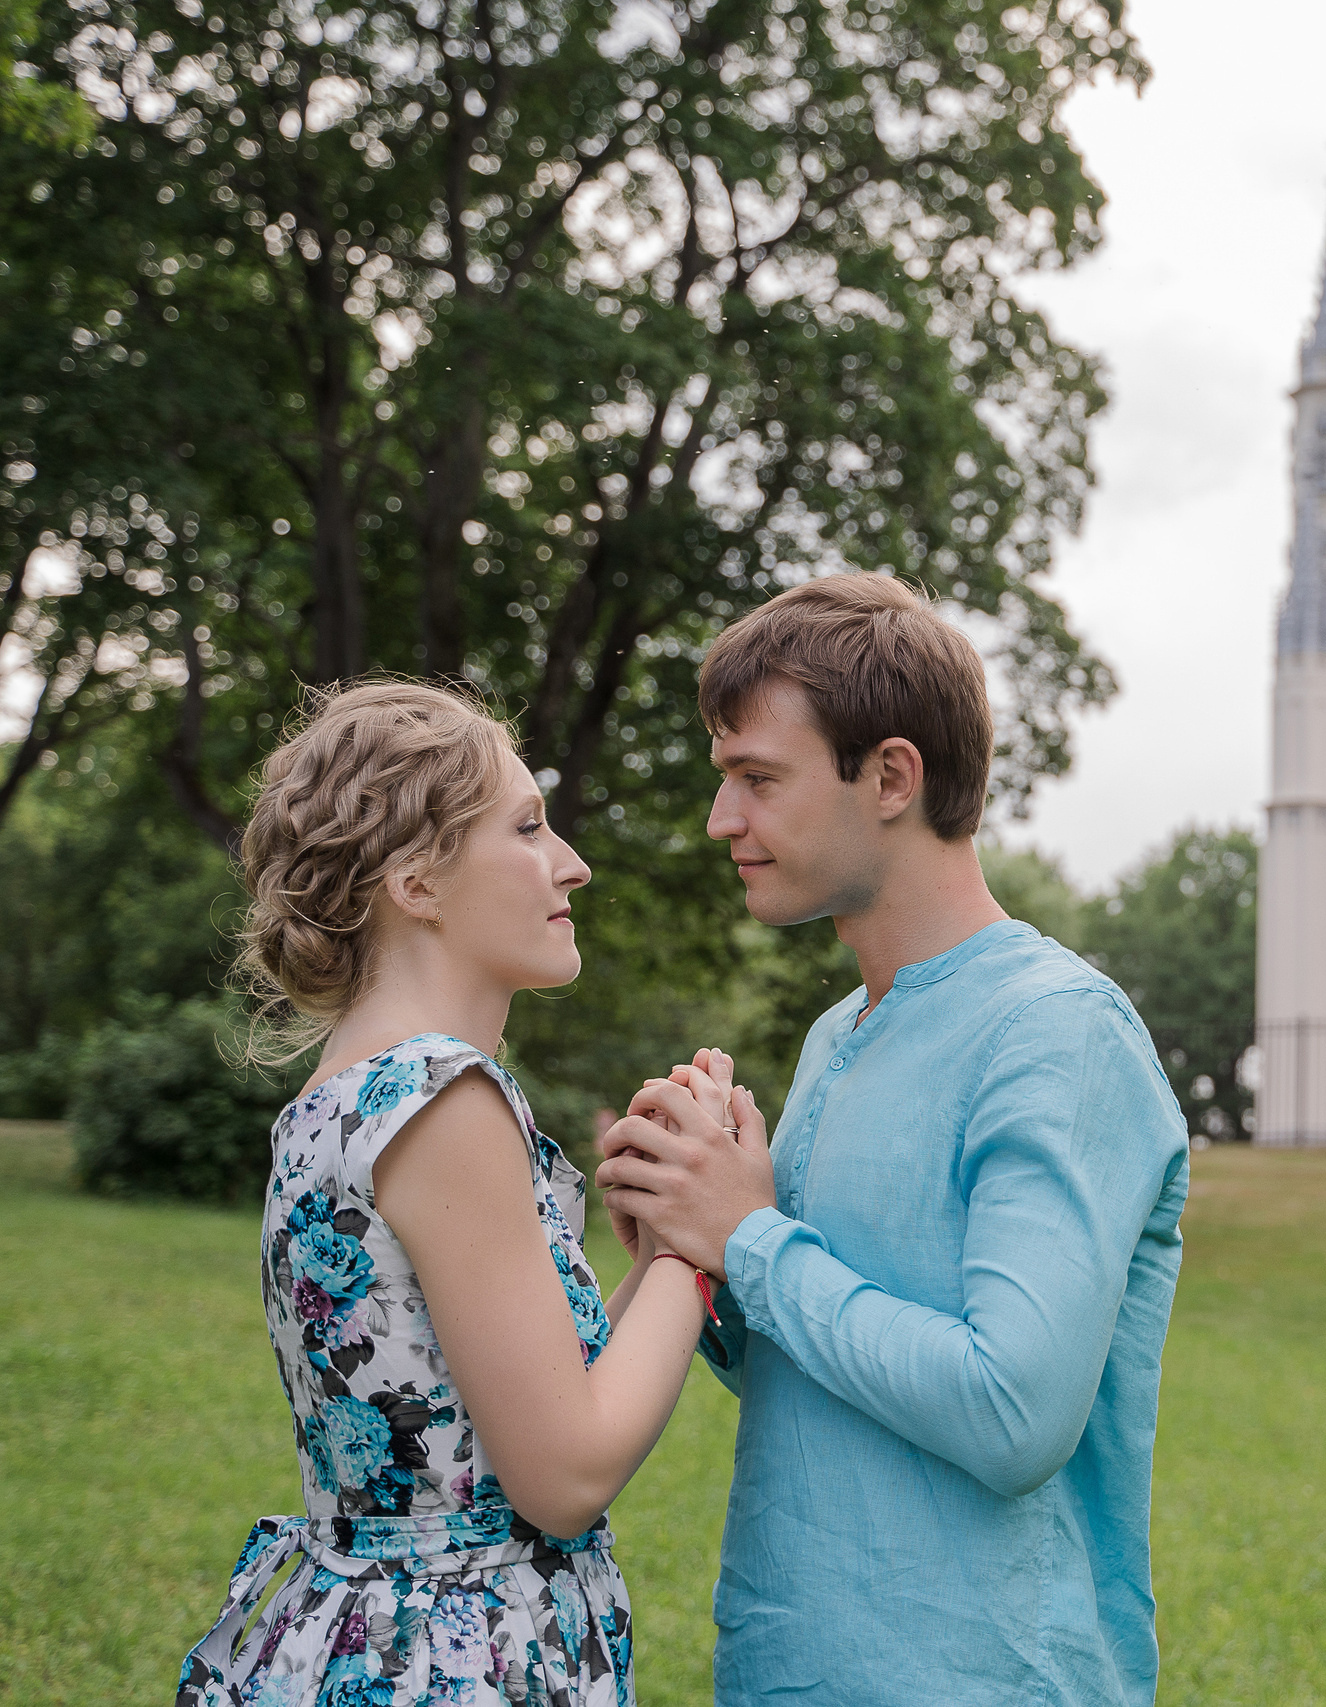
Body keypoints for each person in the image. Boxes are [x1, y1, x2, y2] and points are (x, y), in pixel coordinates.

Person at [595, 574, 1191, 1706]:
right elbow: (820, 1370)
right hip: (783, 1670)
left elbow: (1011, 1415)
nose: (722, 818)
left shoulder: (1056, 1033)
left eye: (757, 779)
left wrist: (750, 1237)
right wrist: (691, 1244)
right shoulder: (837, 1034)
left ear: (890, 777)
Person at [175, 680, 716, 1707]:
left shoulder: (339, 1096)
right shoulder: (444, 1100)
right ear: (417, 881)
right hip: (449, 1657)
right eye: (528, 827)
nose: (573, 864)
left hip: (355, 1626)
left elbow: (483, 1413)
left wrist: (652, 1260)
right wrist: (702, 1243)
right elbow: (562, 1477)